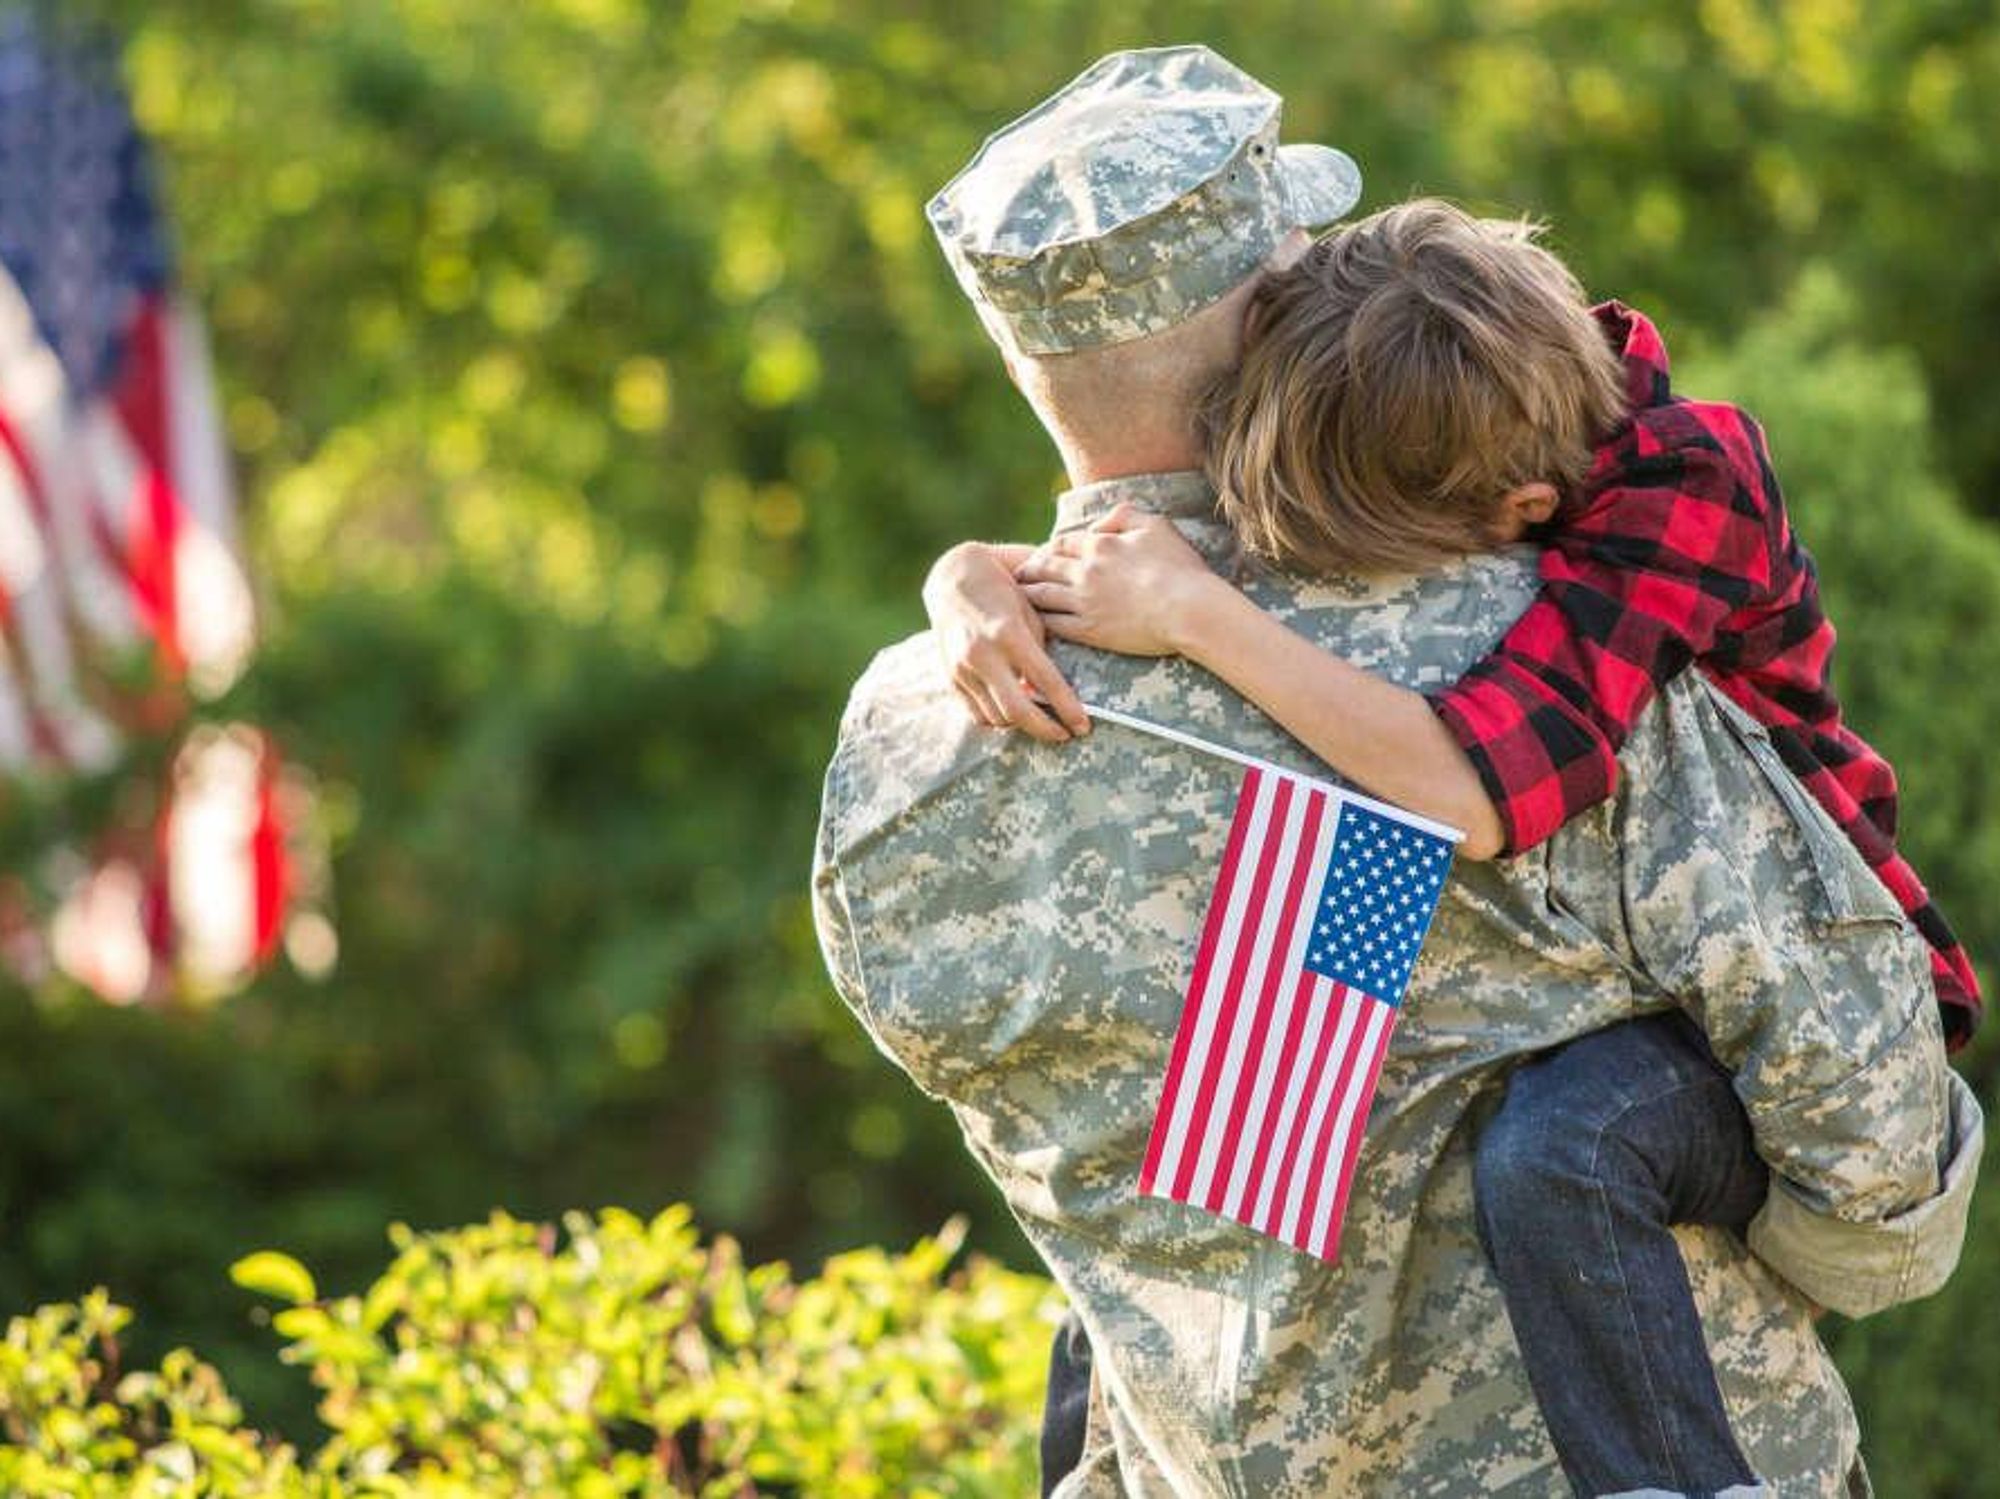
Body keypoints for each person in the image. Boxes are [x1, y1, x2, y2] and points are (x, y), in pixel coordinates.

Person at [813, 44, 1981, 1496]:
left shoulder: (902, 751)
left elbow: (1143, 1182)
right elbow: (1872, 1120)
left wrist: (979, 580)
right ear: (1272, 319)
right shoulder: (1510, 632)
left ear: (1016, 358)